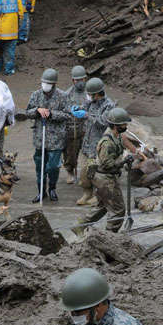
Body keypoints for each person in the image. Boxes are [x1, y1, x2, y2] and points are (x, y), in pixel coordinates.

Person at [74, 108, 132, 235]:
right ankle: (110, 235)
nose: (125, 126)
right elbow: (107, 164)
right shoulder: (107, 142)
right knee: (118, 209)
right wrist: (123, 162)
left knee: (102, 206)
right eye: (123, 124)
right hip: (104, 178)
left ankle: (80, 226)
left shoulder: (116, 137)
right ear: (116, 125)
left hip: (105, 177)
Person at [25, 68, 70, 203]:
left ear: (54, 84)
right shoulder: (36, 95)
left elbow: (67, 114)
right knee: (40, 167)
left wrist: (52, 114)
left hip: (56, 139)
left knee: (53, 166)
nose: (45, 85)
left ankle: (52, 188)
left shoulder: (62, 96)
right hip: (40, 138)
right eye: (43, 82)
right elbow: (27, 112)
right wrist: (37, 110)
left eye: (48, 83)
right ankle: (41, 191)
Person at [77, 77, 116, 206]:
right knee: (83, 173)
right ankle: (87, 193)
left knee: (97, 173)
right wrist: (77, 109)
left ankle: (97, 196)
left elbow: (104, 122)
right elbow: (83, 107)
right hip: (86, 145)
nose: (88, 97)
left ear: (97, 94)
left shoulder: (109, 105)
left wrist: (87, 115)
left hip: (99, 146)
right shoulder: (90, 102)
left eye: (90, 94)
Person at [62, 65, 88, 185]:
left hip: (88, 128)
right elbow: (63, 109)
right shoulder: (67, 94)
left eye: (82, 79)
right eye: (77, 80)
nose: (80, 82)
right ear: (73, 81)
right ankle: (70, 171)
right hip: (73, 129)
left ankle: (86, 175)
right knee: (71, 153)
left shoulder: (90, 92)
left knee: (88, 154)